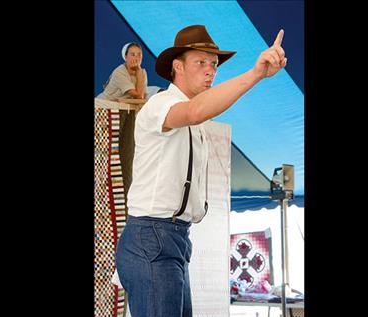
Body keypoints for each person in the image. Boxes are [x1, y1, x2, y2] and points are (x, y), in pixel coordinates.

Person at [115, 24, 287, 317]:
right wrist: (256, 73)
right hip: (152, 233)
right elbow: (195, 111)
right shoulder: (160, 104)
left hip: (176, 237)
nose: (211, 70)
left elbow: (199, 112)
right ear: (177, 67)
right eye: (201, 63)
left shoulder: (196, 117)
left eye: (214, 65)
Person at [97, 43, 148, 196]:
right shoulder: (120, 72)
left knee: (127, 157)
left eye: (139, 54)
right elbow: (138, 95)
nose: (136, 58)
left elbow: (142, 97)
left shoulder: (142, 72)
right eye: (132, 54)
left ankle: (124, 204)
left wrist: (139, 72)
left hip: (127, 112)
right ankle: (102, 198)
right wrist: (138, 75)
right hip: (104, 112)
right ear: (125, 57)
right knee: (105, 157)